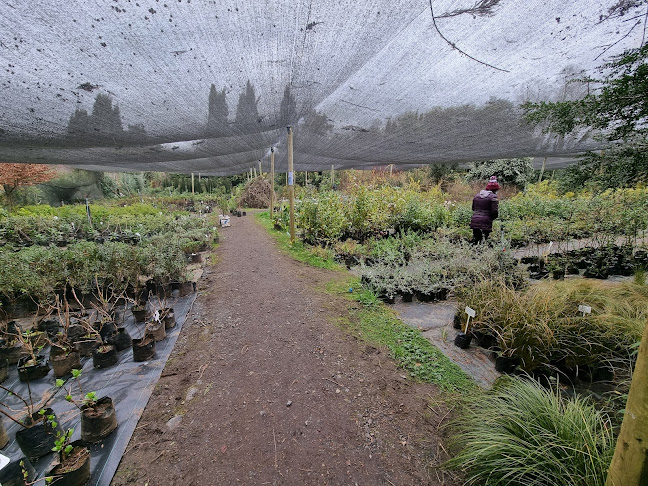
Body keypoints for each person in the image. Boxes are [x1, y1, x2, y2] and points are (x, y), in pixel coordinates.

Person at [470, 176, 499, 244]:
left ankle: (474, 253)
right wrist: (491, 218)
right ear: (495, 190)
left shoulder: (477, 196)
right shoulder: (493, 197)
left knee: (476, 240)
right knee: (483, 241)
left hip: (474, 221)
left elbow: (473, 208)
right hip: (486, 222)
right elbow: (494, 211)